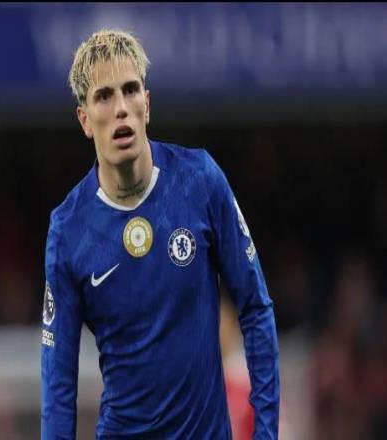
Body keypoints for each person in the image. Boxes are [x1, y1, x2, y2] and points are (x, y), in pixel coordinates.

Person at [41, 29, 279, 439]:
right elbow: (58, 380)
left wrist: (267, 433)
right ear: (85, 120)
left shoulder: (200, 181)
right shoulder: (68, 231)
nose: (121, 108)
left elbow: (256, 308)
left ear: (146, 104)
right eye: (104, 96)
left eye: (130, 90)